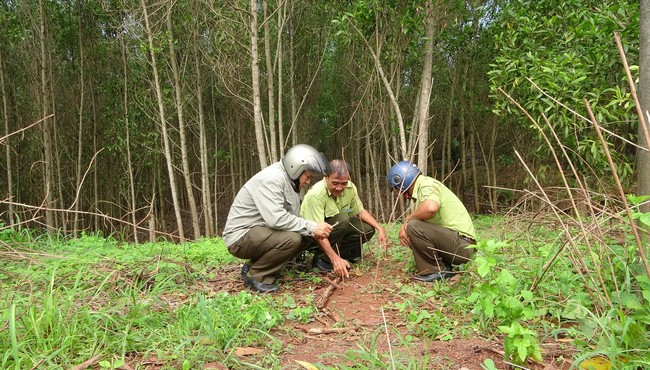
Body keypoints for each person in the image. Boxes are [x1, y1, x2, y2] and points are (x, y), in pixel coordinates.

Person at [222, 144, 334, 293]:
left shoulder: (290, 182)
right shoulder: (272, 179)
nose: (308, 182)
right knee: (292, 239)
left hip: (258, 232)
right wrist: (312, 226)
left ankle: (253, 265)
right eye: (308, 177)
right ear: (295, 168)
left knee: (305, 236)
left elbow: (291, 218)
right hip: (240, 237)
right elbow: (277, 219)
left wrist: (310, 229)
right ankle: (257, 277)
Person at [386, 161, 476, 282]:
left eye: (397, 188)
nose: (398, 192)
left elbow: (430, 208)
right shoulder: (423, 187)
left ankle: (436, 271)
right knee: (414, 225)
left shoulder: (427, 184)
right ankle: (444, 266)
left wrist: (407, 220)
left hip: (462, 246)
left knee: (413, 225)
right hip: (459, 243)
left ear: (401, 181)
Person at [301, 159, 388, 277]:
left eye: (344, 183)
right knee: (343, 219)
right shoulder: (316, 194)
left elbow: (360, 211)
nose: (339, 188)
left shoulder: (350, 188)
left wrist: (379, 228)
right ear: (326, 177)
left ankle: (340, 254)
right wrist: (335, 260)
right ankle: (323, 259)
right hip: (312, 236)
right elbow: (317, 233)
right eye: (335, 183)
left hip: (335, 230)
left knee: (367, 229)